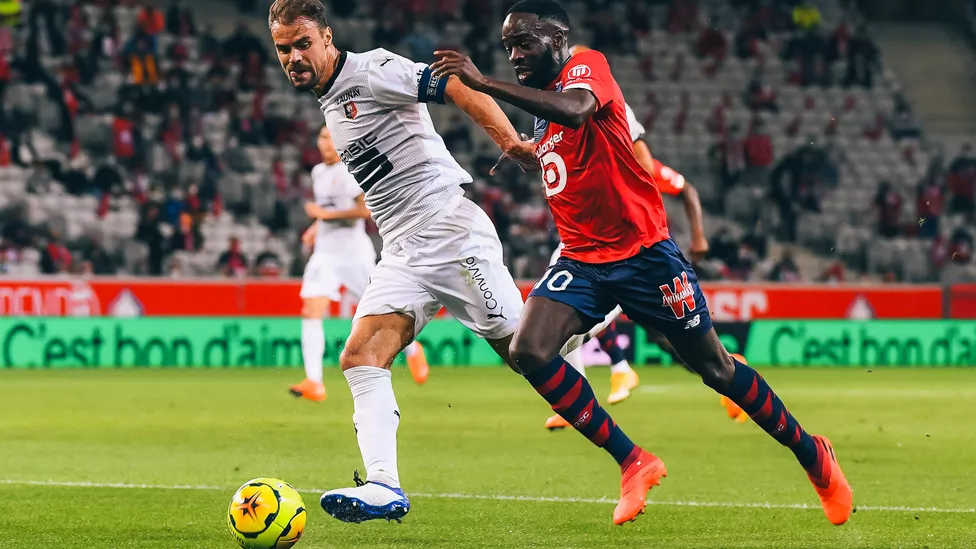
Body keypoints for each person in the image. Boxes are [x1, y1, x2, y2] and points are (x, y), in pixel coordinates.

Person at [431, 0, 852, 526]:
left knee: (715, 370)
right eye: (507, 46)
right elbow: (572, 153)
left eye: (524, 43)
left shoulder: (586, 68)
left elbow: (580, 109)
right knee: (530, 351)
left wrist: (483, 82)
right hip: (583, 260)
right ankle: (633, 461)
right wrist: (528, 151)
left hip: (645, 256)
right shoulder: (543, 110)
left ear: (557, 38)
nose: (514, 54)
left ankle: (813, 455)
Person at [267, 0, 587, 524]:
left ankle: (602, 312)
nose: (295, 58)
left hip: (448, 231)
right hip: (402, 250)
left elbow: (452, 84)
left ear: (327, 37)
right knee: (360, 356)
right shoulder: (330, 98)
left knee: (527, 353)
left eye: (304, 44)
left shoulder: (371, 69)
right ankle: (383, 486)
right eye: (285, 50)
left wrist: (509, 140)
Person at [541, 43, 710, 428]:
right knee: (577, 307)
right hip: (595, 245)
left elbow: (687, 191)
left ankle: (726, 368)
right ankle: (601, 380)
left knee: (674, 340)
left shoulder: (646, 167)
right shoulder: (599, 154)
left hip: (643, 251)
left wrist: (699, 238)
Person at [290, 124, 431, 403]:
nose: (325, 143)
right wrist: (317, 227)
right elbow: (328, 211)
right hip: (325, 254)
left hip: (353, 253)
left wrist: (323, 216)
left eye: (330, 137)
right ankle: (314, 382)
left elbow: (363, 211)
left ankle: (414, 351)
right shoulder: (318, 173)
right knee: (311, 309)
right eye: (321, 137)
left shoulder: (349, 171)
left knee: (380, 310)